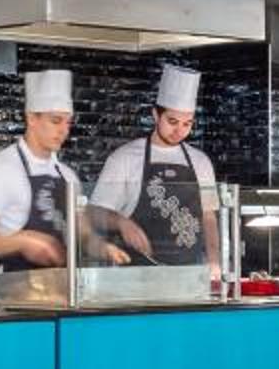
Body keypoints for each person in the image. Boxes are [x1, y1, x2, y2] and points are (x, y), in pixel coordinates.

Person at [89, 64, 221, 296]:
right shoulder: (125, 158)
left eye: (187, 124)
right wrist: (121, 222)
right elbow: (94, 213)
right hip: (136, 282)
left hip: (188, 281)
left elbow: (208, 217)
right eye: (172, 121)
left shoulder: (200, 162)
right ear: (155, 115)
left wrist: (215, 261)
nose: (179, 131)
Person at [0, 69, 83, 267]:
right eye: (55, 121)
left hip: (63, 284)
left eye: (68, 122)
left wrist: (101, 246)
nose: (64, 130)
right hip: (19, 285)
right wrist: (23, 241)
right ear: (32, 119)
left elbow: (83, 229)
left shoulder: (68, 175)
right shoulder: (1, 169)